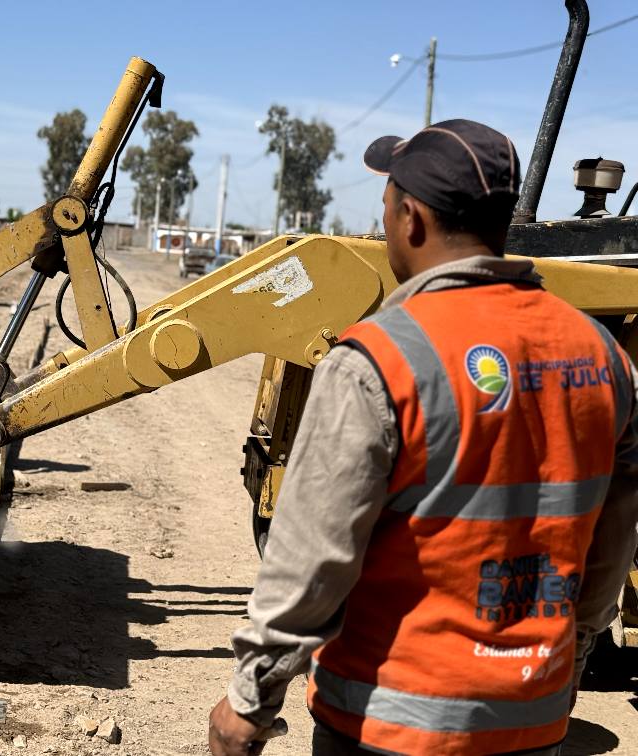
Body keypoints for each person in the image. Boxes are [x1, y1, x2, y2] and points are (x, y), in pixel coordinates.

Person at [208, 119, 638, 756]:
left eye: (386, 202)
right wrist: (569, 660)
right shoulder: (604, 356)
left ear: (410, 218)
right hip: (533, 720)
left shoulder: (380, 357)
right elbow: (613, 538)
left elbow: (314, 557)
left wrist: (251, 698)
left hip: (388, 722)